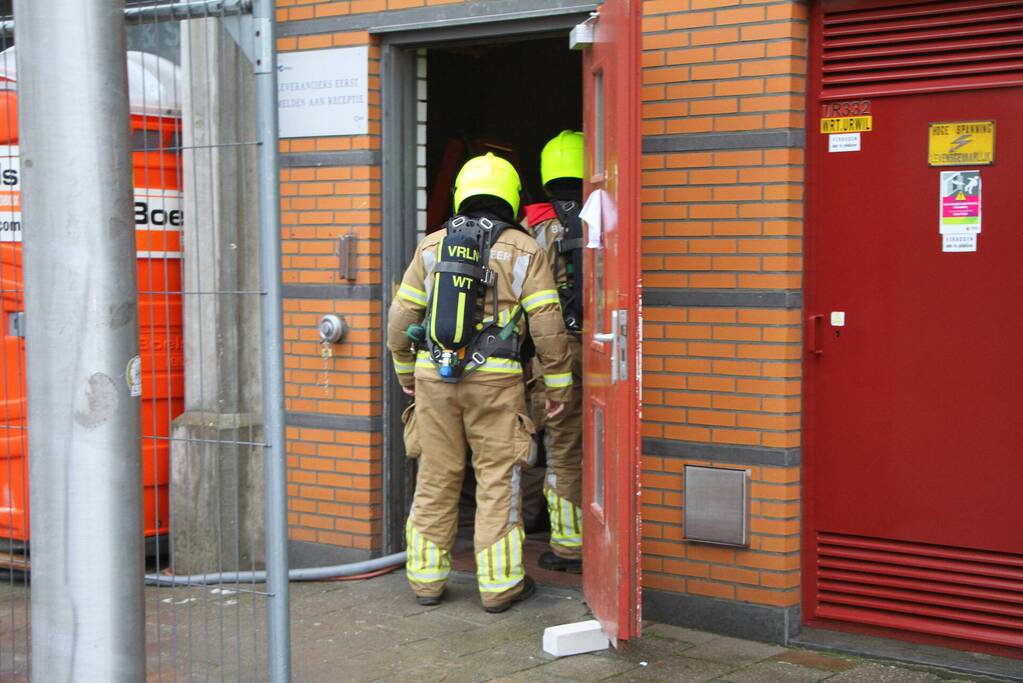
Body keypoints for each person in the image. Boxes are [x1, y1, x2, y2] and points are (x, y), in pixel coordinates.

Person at [387, 153, 573, 613]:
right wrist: (557, 386)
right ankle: (499, 586)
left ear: (462, 193)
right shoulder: (525, 249)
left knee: (435, 475)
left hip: (434, 377)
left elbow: (400, 320)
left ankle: (427, 581)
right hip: (497, 381)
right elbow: (549, 324)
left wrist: (406, 373)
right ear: (511, 194)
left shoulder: (431, 247)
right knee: (497, 478)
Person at [522, 131, 585, 574]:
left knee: (556, 445)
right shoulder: (606, 215)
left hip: (552, 352)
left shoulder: (534, 227)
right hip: (604, 348)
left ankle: (566, 545)